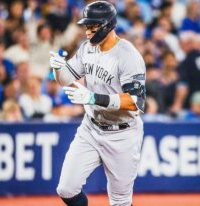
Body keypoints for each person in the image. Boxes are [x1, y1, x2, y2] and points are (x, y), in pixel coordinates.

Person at [49, 1, 146, 206]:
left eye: (92, 27)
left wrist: (94, 98)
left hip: (123, 134)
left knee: (119, 200)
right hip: (91, 128)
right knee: (66, 189)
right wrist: (58, 69)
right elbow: (66, 79)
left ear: (107, 25)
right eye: (86, 26)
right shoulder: (87, 48)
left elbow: (135, 101)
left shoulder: (128, 55)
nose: (87, 31)